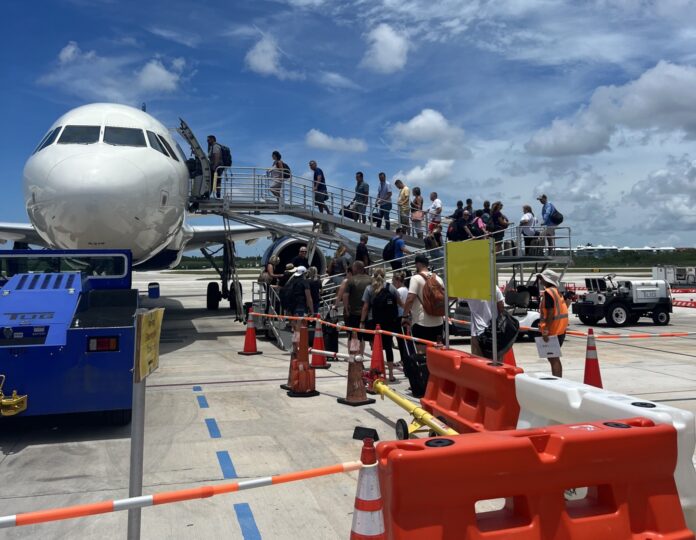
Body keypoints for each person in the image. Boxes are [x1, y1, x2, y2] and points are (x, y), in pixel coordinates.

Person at [360, 268, 404, 382]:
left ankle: (376, 371)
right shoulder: (390, 287)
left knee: (375, 348)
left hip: (373, 321)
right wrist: (407, 312)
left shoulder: (369, 288)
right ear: (384, 276)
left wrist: (362, 321)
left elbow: (365, 307)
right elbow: (399, 302)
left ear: (373, 276)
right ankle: (390, 374)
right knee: (388, 347)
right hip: (388, 322)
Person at [402, 254, 445, 353]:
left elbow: (410, 298)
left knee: (422, 354)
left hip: (421, 322)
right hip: (438, 322)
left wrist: (404, 316)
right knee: (436, 353)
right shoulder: (438, 278)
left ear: (418, 264)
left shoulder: (416, 278)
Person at [537, 269, 569, 377]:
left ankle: (558, 381)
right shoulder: (556, 291)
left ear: (547, 280)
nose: (540, 281)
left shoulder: (548, 293)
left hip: (553, 330)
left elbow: (550, 313)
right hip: (560, 330)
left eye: (541, 278)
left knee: (553, 358)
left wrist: (546, 330)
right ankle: (558, 380)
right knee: (553, 358)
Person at [342, 261, 372, 354]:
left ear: (356, 268)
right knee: (362, 337)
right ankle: (361, 356)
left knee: (352, 336)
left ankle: (353, 357)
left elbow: (345, 296)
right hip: (366, 314)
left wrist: (346, 309)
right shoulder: (370, 280)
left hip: (353, 313)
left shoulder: (351, 280)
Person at [467, 287, 505, 358]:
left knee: (478, 363)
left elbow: (450, 296)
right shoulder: (494, 287)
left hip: (477, 332)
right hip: (494, 331)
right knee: (496, 361)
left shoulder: (470, 289)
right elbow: (501, 307)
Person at [289, 266, 314, 335]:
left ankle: (295, 343)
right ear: (304, 274)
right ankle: (300, 343)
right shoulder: (304, 282)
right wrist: (312, 310)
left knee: (294, 327)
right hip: (301, 305)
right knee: (301, 326)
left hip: (293, 306)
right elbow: (308, 297)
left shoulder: (293, 281)